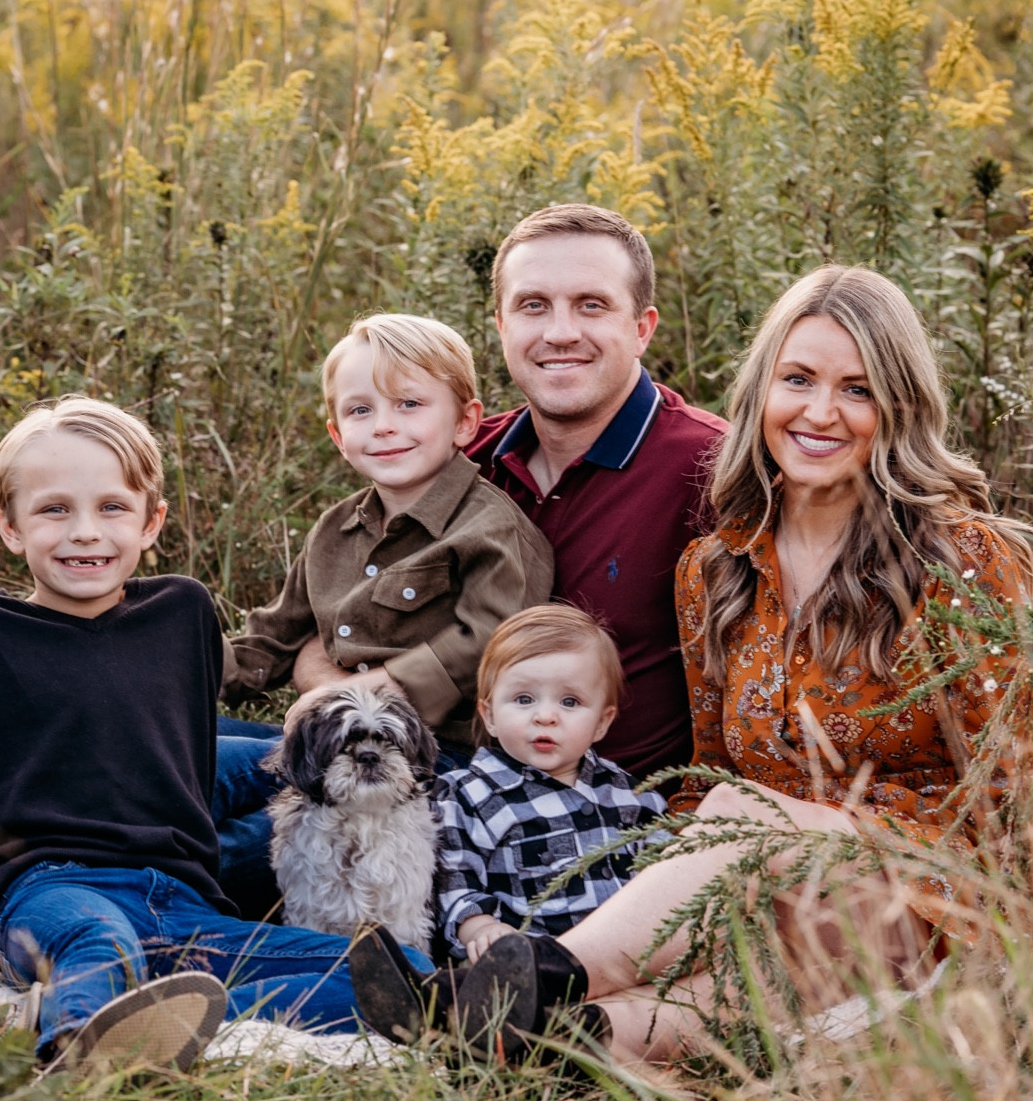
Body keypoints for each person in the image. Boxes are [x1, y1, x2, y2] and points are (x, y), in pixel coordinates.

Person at [353, 265, 1033, 1066]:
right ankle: (538, 1039)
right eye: (798, 380)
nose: (820, 412)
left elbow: (1014, 793)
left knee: (741, 817)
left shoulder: (963, 561)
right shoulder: (718, 569)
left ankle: (550, 969)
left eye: (857, 389)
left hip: (921, 895)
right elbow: (705, 770)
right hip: (762, 893)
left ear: (900, 407)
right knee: (730, 963)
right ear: (762, 393)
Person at [0, 396, 432, 1072]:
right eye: (54, 509)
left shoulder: (180, 612)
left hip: (181, 898)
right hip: (55, 889)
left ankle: (169, 1010)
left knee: (398, 966)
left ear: (152, 521)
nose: (86, 532)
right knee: (99, 946)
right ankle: (76, 1047)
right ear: (8, 526)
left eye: (112, 508)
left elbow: (179, 764)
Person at [293, 205, 726, 783]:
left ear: (642, 327)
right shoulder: (455, 460)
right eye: (533, 306)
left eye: (591, 305)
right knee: (177, 772)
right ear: (501, 325)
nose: (560, 332)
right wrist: (343, 701)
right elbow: (322, 626)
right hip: (410, 767)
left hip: (601, 814)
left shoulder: (711, 469)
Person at [212, 314, 554, 914]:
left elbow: (488, 646)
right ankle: (83, 857)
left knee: (236, 837)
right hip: (326, 741)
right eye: (361, 411)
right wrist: (163, 660)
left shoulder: (491, 530)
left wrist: (373, 688)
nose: (385, 426)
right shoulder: (333, 532)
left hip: (425, 758)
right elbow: (271, 641)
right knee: (185, 750)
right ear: (337, 433)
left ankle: (149, 903)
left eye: (409, 404)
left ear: (465, 422)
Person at [435, 605, 666, 964]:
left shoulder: (631, 796)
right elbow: (456, 884)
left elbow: (669, 876)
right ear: (490, 715)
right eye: (524, 699)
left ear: (602, 723)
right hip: (531, 960)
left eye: (570, 701)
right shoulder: (467, 796)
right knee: (490, 977)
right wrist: (481, 929)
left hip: (627, 958)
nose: (545, 716)